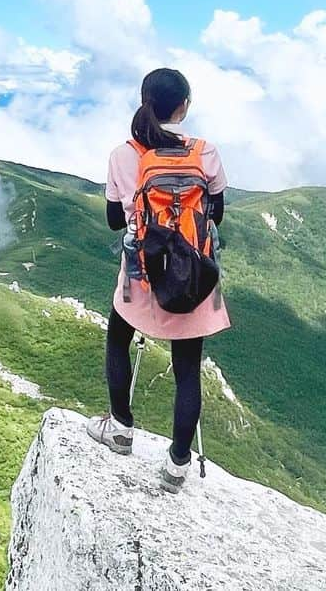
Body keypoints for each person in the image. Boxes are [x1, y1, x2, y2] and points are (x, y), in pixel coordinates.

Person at [85, 67, 231, 493]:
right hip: (193, 276)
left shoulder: (122, 154)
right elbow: (216, 212)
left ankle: (120, 428)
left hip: (142, 275)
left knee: (118, 340)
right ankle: (177, 465)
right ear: (182, 107)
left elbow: (115, 220)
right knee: (187, 369)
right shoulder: (205, 152)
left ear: (145, 100)